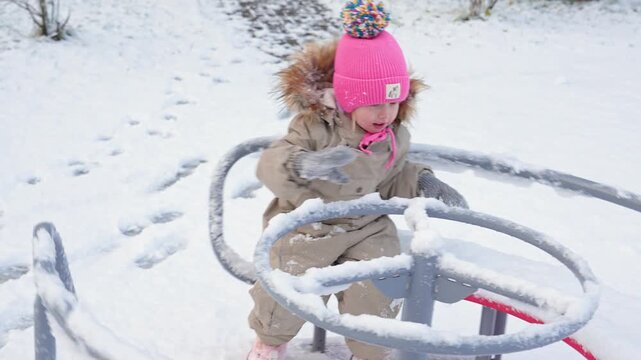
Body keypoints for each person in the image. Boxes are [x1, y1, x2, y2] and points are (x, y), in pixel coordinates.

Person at [247, 1, 468, 359]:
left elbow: (392, 177)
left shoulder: (394, 136)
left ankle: (370, 350)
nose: (385, 114)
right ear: (349, 98)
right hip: (307, 225)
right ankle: (270, 342)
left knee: (379, 287)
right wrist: (304, 164)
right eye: (373, 103)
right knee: (288, 288)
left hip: (366, 226)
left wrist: (422, 182)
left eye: (393, 102)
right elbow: (270, 164)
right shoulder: (313, 127)